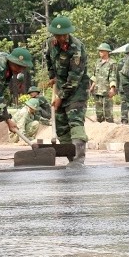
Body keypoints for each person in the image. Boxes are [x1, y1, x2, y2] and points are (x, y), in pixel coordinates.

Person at [45, 16, 89, 165]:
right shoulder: (51, 44)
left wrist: (61, 97)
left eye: (64, 35)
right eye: (58, 35)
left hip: (77, 91)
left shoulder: (77, 48)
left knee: (75, 121)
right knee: (61, 124)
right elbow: (49, 60)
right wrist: (53, 76)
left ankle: (78, 159)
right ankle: (71, 157)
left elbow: (75, 78)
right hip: (60, 87)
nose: (61, 38)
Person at [89, 42, 118, 123]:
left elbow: (113, 77)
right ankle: (100, 128)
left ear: (107, 52)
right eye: (99, 51)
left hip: (106, 91)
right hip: (97, 90)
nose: (100, 52)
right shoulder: (97, 62)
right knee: (99, 113)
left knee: (108, 113)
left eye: (102, 51)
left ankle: (110, 129)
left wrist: (112, 89)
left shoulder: (112, 63)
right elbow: (95, 76)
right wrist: (92, 87)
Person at [117, 44, 129, 124]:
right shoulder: (121, 62)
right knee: (124, 102)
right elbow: (118, 75)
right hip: (124, 86)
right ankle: (124, 119)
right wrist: (117, 86)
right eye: (128, 53)